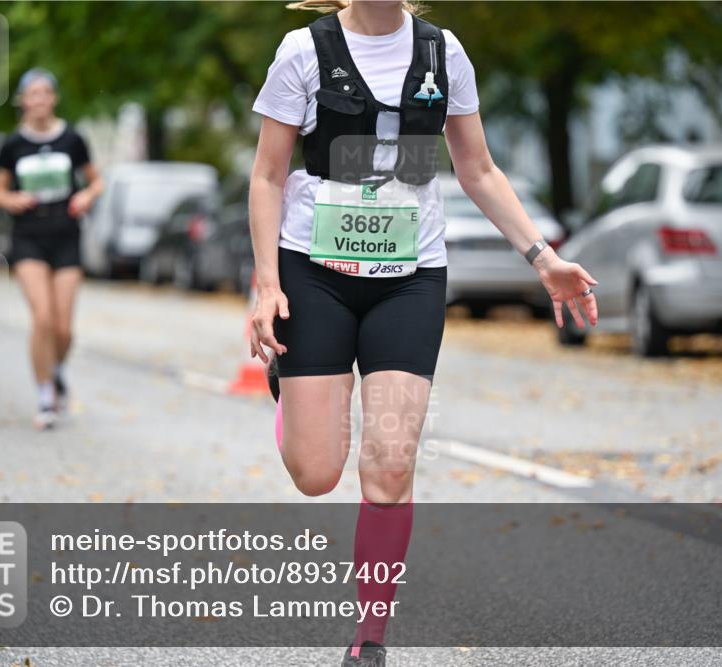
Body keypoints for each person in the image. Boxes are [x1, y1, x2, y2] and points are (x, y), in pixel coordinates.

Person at [248, 1, 598, 664]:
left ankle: (369, 637)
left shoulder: (443, 54)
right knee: (317, 471)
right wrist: (267, 283)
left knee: (388, 466)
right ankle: (296, 400)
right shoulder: (302, 50)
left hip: (409, 276)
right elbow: (268, 173)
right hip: (313, 272)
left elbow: (479, 169)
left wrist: (543, 257)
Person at [0, 68, 102, 430]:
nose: (38, 100)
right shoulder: (12, 145)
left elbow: (96, 180)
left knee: (63, 328)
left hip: (66, 235)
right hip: (28, 237)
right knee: (41, 317)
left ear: (53, 98)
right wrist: (12, 199)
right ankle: (44, 396)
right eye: (31, 94)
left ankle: (55, 369)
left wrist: (86, 195)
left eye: (44, 93)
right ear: (23, 101)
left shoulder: (72, 139)